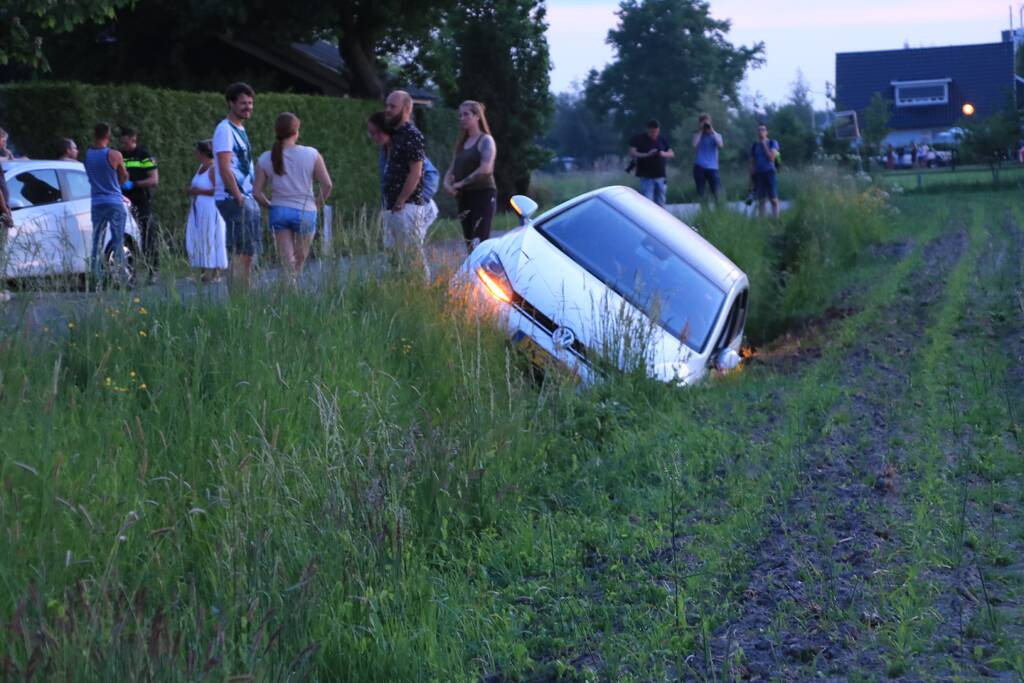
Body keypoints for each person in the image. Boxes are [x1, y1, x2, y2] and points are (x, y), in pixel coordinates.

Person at [253, 112, 333, 281]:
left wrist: (270, 205)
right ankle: (291, 297)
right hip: (306, 211)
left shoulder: (265, 158)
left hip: (279, 211)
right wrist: (317, 205)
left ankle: (287, 296)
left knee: (287, 264)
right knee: (299, 262)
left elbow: (256, 193)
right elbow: (327, 185)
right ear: (296, 132)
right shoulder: (312, 154)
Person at [213, 82, 261, 291]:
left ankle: (244, 295)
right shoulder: (224, 130)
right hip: (233, 198)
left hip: (245, 196)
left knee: (248, 251)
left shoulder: (240, 128)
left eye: (250, 103)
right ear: (231, 103)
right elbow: (224, 168)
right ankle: (237, 299)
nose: (248, 107)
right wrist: (239, 196)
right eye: (243, 103)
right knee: (241, 252)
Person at [382, 90, 434, 279]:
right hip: (394, 205)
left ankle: (424, 293)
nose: (387, 110)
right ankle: (401, 291)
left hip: (407, 206)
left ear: (406, 109)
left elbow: (416, 172)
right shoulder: (395, 135)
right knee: (396, 257)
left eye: (392, 106)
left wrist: (401, 200)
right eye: (387, 105)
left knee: (413, 256)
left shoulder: (412, 135)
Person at [444, 100, 497, 253]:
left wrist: (460, 184)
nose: (462, 118)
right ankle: (472, 274)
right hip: (464, 197)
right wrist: (447, 184)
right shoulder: (462, 143)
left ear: (477, 116)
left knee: (480, 239)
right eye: (460, 115)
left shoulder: (485, 140)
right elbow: (451, 169)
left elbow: (486, 168)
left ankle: (486, 273)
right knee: (469, 241)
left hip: (482, 194)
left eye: (466, 114)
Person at [366, 111, 440, 215]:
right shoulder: (384, 151)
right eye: (371, 133)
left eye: (378, 132)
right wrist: (387, 207)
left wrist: (412, 202)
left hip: (411, 207)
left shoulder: (403, 147)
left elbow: (431, 176)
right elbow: (386, 182)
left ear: (387, 129)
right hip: (395, 208)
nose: (375, 137)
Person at [84, 123, 129, 285]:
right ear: (108, 135)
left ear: (94, 134)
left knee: (97, 240)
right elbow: (123, 177)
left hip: (96, 202)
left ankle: (96, 276)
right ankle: (121, 276)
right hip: (114, 201)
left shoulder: (88, 154)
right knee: (118, 240)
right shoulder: (114, 155)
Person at [119, 127, 160, 282]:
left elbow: (154, 180)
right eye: (121, 141)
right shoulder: (120, 155)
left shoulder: (144, 155)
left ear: (132, 139)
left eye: (125, 141)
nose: (122, 144)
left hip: (141, 201)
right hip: (123, 200)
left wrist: (134, 184)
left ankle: (153, 271)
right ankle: (131, 271)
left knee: (147, 235)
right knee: (126, 236)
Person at [185, 141, 227, 283]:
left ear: (203, 153)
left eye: (197, 151)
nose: (195, 154)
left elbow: (219, 189)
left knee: (212, 237)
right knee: (199, 237)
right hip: (198, 209)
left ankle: (215, 273)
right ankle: (203, 271)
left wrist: (198, 191)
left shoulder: (213, 169)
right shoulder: (201, 168)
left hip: (211, 208)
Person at [629, 119, 674, 207]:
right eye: (652, 132)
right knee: (647, 202)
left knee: (661, 202)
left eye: (656, 132)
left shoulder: (662, 139)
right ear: (648, 130)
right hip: (646, 176)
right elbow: (632, 152)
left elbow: (671, 153)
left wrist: (662, 153)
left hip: (660, 176)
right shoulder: (638, 139)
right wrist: (647, 154)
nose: (654, 134)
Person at [749, 123, 780, 219]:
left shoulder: (772, 143)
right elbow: (752, 163)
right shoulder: (755, 146)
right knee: (761, 200)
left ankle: (776, 219)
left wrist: (764, 144)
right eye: (759, 130)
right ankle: (762, 221)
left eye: (763, 130)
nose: (760, 132)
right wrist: (750, 179)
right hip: (759, 174)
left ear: (767, 132)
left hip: (770, 173)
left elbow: (771, 158)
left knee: (773, 199)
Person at [691, 113, 723, 204]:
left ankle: (718, 211)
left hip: (713, 168)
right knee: (701, 193)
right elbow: (694, 145)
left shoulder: (716, 135)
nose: (706, 125)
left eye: (707, 123)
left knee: (716, 193)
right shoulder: (697, 135)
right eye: (703, 123)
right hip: (699, 167)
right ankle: (704, 212)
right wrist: (701, 130)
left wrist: (711, 130)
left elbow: (720, 145)